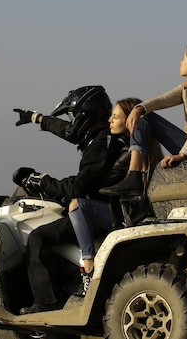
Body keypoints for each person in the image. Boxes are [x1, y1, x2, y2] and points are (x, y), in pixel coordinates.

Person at [12, 85, 129, 314]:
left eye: (74, 115)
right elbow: (69, 131)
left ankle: (47, 303)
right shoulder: (101, 137)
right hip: (102, 204)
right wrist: (37, 118)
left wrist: (41, 181)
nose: (72, 121)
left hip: (99, 211)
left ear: (86, 115)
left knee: (37, 238)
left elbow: (79, 187)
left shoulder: (100, 144)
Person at [100, 42, 187, 197]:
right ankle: (134, 177)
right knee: (145, 114)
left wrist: (184, 154)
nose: (180, 62)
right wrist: (138, 108)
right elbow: (162, 100)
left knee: (147, 119)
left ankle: (134, 176)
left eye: (183, 59)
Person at [67, 98, 163, 297]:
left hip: (130, 219)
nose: (110, 120)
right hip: (129, 216)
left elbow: (107, 184)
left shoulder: (131, 154)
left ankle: (88, 267)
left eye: (116, 116)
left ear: (129, 121)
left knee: (77, 206)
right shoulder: (144, 151)